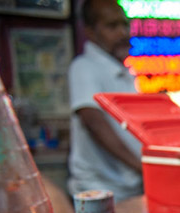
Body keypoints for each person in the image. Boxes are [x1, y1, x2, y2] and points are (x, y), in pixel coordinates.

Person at [67, 0, 143, 202]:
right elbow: (93, 122)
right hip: (99, 193)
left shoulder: (127, 74)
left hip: (132, 189)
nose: (122, 33)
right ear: (91, 32)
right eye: (112, 26)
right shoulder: (84, 67)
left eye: (125, 24)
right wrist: (141, 166)